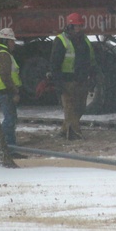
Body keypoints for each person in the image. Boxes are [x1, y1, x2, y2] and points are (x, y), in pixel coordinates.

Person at [49, 12, 96, 140]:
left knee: (80, 108)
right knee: (70, 109)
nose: (79, 29)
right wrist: (58, 83)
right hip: (67, 81)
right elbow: (55, 64)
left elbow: (91, 60)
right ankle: (75, 134)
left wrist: (92, 76)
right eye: (77, 26)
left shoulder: (85, 40)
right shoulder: (61, 41)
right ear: (70, 27)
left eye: (81, 26)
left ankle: (65, 130)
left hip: (82, 80)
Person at [0, 27, 22, 149]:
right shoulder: (3, 55)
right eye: (11, 41)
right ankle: (5, 146)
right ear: (5, 41)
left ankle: (9, 147)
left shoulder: (0, 53)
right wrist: (14, 91)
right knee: (10, 120)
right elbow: (5, 76)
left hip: (3, 91)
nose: (13, 43)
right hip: (6, 91)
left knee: (11, 119)